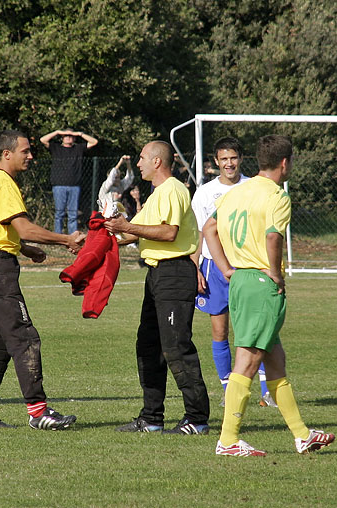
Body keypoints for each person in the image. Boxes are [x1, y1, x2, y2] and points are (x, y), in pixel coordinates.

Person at [203, 135, 335, 456]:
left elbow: (209, 229)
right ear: (285, 163)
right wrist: (275, 272)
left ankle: (302, 435)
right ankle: (229, 440)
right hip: (262, 283)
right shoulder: (277, 195)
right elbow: (273, 235)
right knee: (248, 360)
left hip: (241, 281)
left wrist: (226, 269)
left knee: (275, 359)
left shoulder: (237, 192)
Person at [0, 129, 85, 430]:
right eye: (26, 151)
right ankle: (39, 413)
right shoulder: (4, 183)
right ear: (6, 154)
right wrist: (64, 239)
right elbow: (24, 227)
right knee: (25, 338)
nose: (31, 156)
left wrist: (26, 249)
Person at [104, 141, 210, 434]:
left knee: (176, 347)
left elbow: (167, 232)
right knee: (148, 346)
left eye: (141, 158)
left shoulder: (174, 190)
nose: (137, 164)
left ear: (157, 162)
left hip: (175, 272)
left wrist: (126, 228)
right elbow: (135, 233)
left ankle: (197, 419)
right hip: (157, 275)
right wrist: (95, 244)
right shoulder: (156, 195)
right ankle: (151, 418)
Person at [191, 137, 276, 408]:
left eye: (233, 158)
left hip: (247, 265)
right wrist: (195, 268)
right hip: (214, 269)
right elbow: (199, 233)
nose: (229, 163)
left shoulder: (253, 187)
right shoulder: (205, 192)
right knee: (220, 330)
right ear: (216, 161)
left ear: (241, 159)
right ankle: (229, 389)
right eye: (223, 159)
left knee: (255, 329)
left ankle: (267, 390)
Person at [39, 128, 98, 234]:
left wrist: (80, 133)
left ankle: (72, 236)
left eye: (70, 136)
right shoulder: (56, 148)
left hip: (74, 186)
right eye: (66, 135)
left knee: (73, 214)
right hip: (58, 185)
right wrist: (57, 132)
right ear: (62, 137)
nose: (68, 137)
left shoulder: (78, 148)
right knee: (59, 214)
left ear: (74, 138)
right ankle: (58, 236)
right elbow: (43, 140)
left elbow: (94, 142)